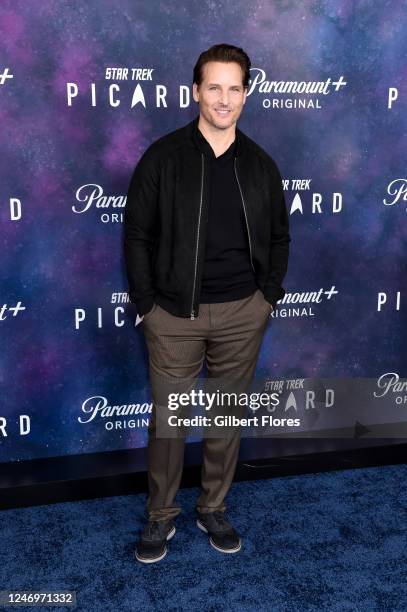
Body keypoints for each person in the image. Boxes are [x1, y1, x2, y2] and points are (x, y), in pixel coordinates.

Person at [124, 43, 290, 563]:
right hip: (173, 316)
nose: (224, 98)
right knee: (169, 423)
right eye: (213, 87)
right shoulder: (163, 157)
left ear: (246, 94)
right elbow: (137, 236)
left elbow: (280, 237)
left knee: (224, 419)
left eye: (234, 88)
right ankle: (161, 516)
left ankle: (212, 507)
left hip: (244, 312)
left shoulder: (261, 165)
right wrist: (148, 305)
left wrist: (268, 298)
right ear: (196, 91)